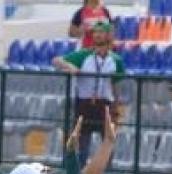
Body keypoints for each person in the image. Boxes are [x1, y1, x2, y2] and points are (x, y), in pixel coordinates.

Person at [53, 22, 125, 166]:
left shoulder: (116, 60)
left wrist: (117, 106)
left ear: (108, 35)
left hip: (104, 105)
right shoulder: (84, 55)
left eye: (101, 32)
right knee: (83, 144)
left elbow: (115, 84)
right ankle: (80, 173)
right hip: (85, 104)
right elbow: (57, 60)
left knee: (108, 142)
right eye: (95, 32)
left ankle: (106, 172)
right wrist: (70, 67)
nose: (97, 35)